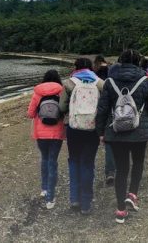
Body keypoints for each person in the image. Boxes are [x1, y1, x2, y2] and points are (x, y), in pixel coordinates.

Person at [95, 49, 148, 224]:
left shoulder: (109, 81)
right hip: (139, 131)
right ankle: (132, 194)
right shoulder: (145, 80)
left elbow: (102, 109)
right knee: (138, 163)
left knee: (121, 169)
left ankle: (120, 210)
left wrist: (100, 132)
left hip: (116, 131)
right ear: (138, 62)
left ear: (120, 61)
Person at [59, 58, 105, 214]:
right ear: (91, 68)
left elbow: (62, 106)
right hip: (92, 129)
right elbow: (105, 106)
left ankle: (74, 199)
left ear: (75, 67)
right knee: (88, 163)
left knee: (74, 161)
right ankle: (86, 203)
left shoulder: (68, 83)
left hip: (74, 128)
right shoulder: (100, 83)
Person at [26, 69, 66, 209]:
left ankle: (44, 189)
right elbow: (64, 110)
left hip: (41, 133)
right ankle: (51, 198)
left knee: (44, 158)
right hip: (57, 133)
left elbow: (30, 113)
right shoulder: (61, 91)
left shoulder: (38, 92)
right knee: (52, 161)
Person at [93, 54, 116, 186]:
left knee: (109, 144)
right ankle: (120, 168)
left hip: (102, 107)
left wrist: (99, 129)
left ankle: (110, 172)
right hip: (115, 109)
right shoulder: (110, 71)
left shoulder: (95, 73)